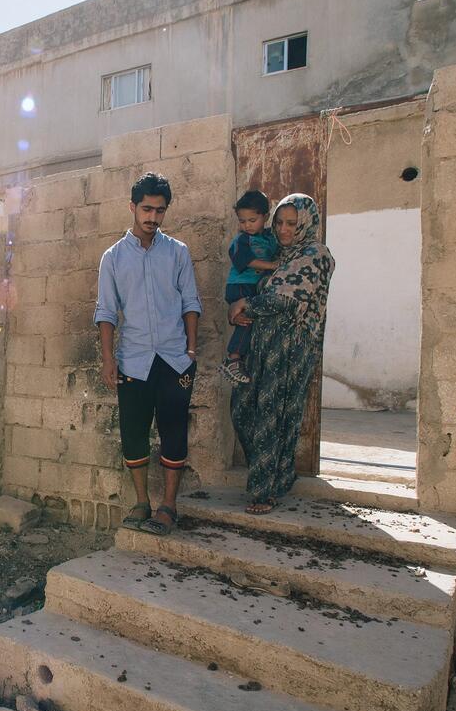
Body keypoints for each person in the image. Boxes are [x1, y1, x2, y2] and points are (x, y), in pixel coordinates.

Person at [93, 171, 202, 536]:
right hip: (133, 361)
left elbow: (191, 302)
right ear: (132, 207)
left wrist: (190, 350)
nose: (153, 217)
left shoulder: (177, 252)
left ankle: (168, 506)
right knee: (133, 433)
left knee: (174, 432)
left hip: (174, 360)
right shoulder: (113, 258)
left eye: (160, 210)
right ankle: (142, 503)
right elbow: (106, 311)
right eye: (147, 209)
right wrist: (108, 359)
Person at [229, 194, 335, 515]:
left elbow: (284, 300)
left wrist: (244, 305)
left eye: (292, 223)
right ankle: (278, 475)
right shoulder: (278, 255)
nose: (284, 229)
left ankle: (265, 490)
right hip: (261, 345)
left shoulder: (315, 255)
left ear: (305, 223)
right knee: (242, 409)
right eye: (279, 223)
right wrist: (241, 309)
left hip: (290, 349)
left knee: (274, 416)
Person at [220, 190, 280, 385]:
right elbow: (246, 260)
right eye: (242, 221)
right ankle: (233, 358)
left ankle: (240, 359)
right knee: (247, 321)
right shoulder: (242, 240)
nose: (247, 225)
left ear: (266, 217)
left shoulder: (270, 237)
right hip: (240, 286)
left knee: (250, 320)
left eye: (252, 220)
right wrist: (271, 266)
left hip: (252, 287)